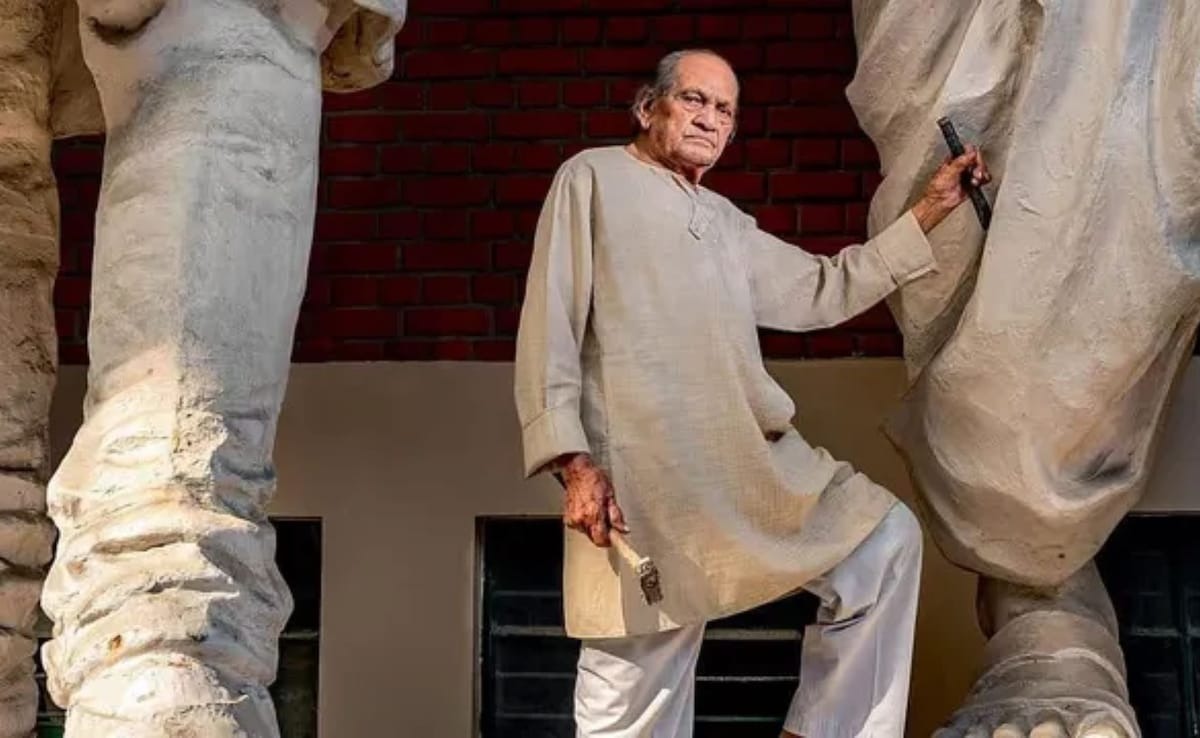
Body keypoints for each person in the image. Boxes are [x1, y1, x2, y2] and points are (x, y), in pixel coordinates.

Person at [513, 48, 991, 738]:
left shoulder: (727, 223)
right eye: (694, 99)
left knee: (884, 542)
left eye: (725, 110)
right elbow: (550, 320)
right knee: (634, 688)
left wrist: (932, 208)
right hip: (642, 477)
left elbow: (825, 287)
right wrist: (573, 461)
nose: (710, 119)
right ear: (648, 107)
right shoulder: (592, 178)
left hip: (745, 463)